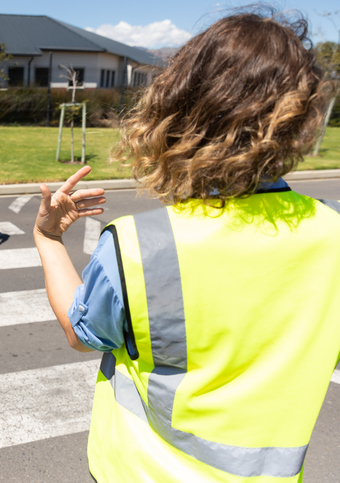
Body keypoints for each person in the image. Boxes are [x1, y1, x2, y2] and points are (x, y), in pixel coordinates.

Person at [33, 11, 339, 483]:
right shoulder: (332, 231)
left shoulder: (139, 246)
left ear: (181, 108)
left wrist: (48, 237)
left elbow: (80, 332)